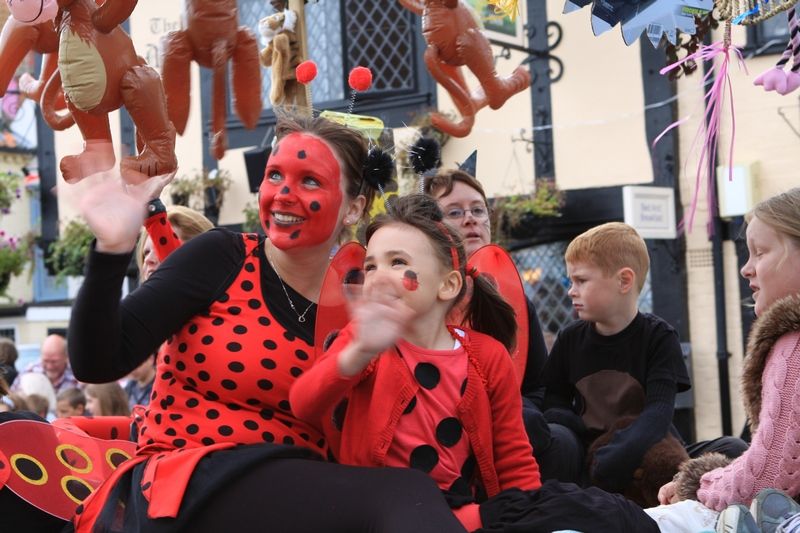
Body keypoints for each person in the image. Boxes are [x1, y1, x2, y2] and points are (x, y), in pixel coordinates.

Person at [65, 113, 466, 533]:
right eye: (275, 176)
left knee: (412, 493)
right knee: (401, 494)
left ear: (354, 207)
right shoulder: (220, 256)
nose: (283, 195)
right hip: (188, 485)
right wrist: (111, 250)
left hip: (302, 499)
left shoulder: (363, 303)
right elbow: (98, 362)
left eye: (310, 180)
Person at [291, 194, 659, 533]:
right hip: (384, 511)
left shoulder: (486, 355)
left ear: (448, 286)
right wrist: (359, 350)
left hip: (462, 514)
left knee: (589, 507)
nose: (377, 276)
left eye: (397, 262)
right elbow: (305, 403)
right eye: (370, 266)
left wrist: (530, 512)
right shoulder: (364, 342)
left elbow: (514, 458)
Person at [654, 187, 800, 532]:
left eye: (760, 253)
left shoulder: (793, 344)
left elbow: (769, 479)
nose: (746, 269)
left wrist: (699, 482)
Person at [424, 168, 578, 482]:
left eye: (478, 210)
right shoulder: (421, 300)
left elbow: (537, 386)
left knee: (563, 440)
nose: (471, 219)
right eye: (455, 212)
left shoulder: (516, 301)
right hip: (441, 432)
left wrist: (524, 412)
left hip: (514, 437)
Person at [542, 222, 693, 493]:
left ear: (624, 280)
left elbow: (659, 412)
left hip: (645, 445)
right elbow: (553, 399)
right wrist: (572, 424)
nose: (570, 291)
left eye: (581, 281)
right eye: (570, 281)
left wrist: (622, 452)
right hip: (587, 449)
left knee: (729, 447)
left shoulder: (659, 337)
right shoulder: (569, 339)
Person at [12, 334, 79, 394]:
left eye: (54, 361)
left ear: (66, 357)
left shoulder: (77, 376)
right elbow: (11, 398)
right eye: (45, 361)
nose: (49, 366)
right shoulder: (29, 372)